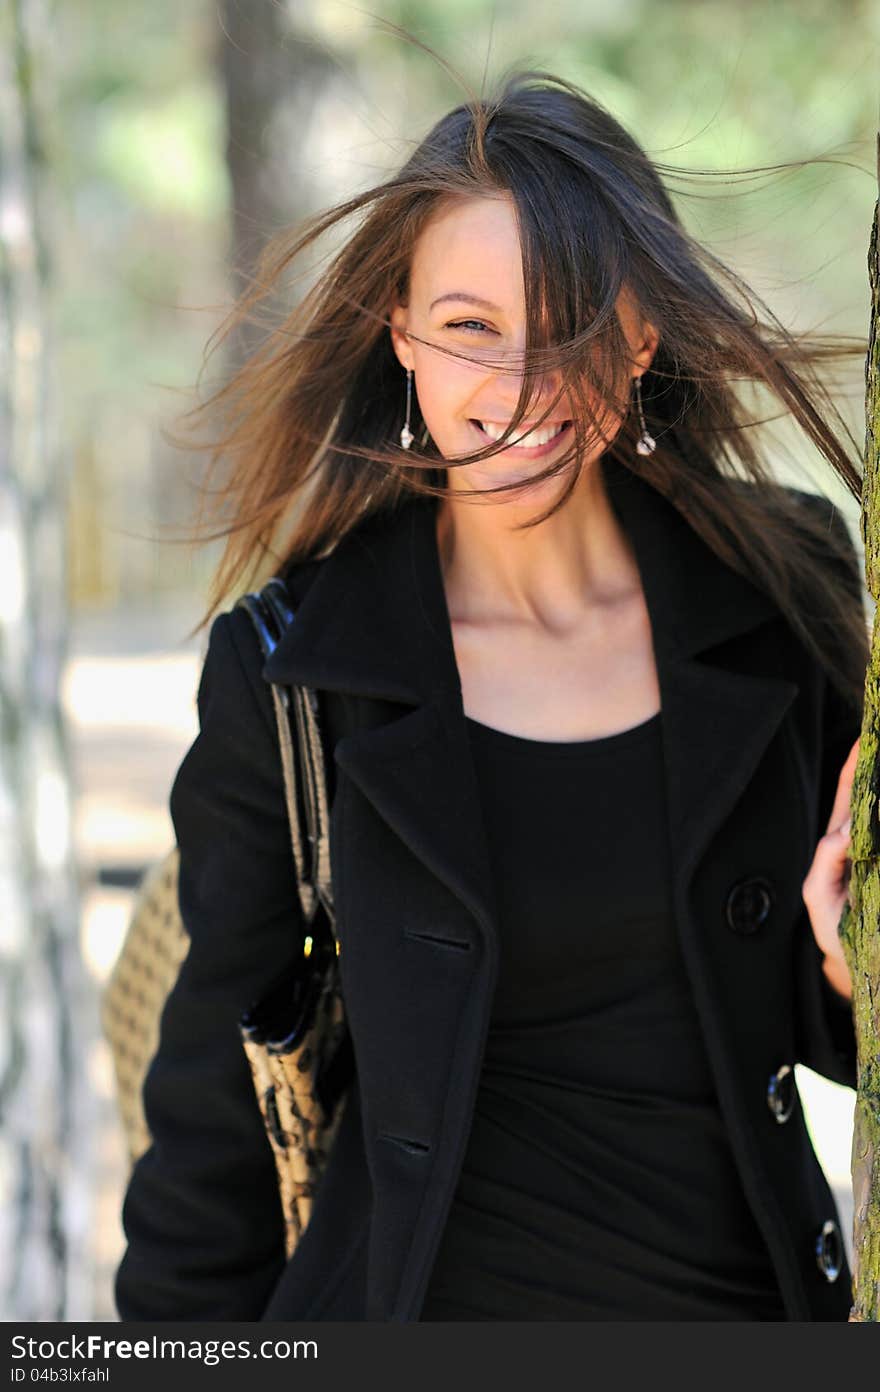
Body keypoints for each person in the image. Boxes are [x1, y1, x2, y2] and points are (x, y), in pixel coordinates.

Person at [114, 70, 869, 1322]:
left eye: (569, 325)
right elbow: (206, 1142)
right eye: (468, 327)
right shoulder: (290, 671)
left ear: (640, 337)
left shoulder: (781, 591)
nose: (518, 386)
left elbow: (822, 1019)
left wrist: (849, 970)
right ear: (399, 336)